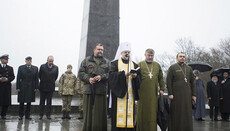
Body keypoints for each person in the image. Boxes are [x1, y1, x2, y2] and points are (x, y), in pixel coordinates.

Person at [109, 42, 141, 131]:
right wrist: (123, 74)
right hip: (119, 94)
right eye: (125, 52)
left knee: (130, 116)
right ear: (121, 53)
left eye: (128, 52)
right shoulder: (115, 64)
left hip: (130, 95)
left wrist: (135, 77)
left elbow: (139, 78)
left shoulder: (134, 64)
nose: (127, 54)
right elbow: (111, 76)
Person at [78, 43, 110, 131]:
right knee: (88, 114)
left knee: (100, 114)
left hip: (101, 91)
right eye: (99, 49)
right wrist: (88, 79)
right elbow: (80, 73)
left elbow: (110, 74)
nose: (100, 51)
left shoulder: (107, 62)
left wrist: (102, 77)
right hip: (89, 91)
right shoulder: (86, 60)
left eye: (102, 50)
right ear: (94, 50)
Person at [136, 48, 164, 131]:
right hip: (142, 93)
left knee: (152, 113)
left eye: (152, 55)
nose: (150, 57)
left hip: (153, 94)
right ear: (145, 55)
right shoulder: (139, 64)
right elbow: (135, 79)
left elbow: (161, 78)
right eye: (149, 55)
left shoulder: (157, 65)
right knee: (142, 113)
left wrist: (162, 89)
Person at [166, 52, 196, 131]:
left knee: (187, 113)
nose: (182, 58)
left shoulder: (189, 68)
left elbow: (193, 82)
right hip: (176, 95)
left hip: (187, 95)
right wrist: (170, 93)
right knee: (176, 113)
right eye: (180, 56)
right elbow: (168, 81)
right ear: (177, 58)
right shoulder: (172, 68)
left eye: (183, 56)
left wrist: (194, 95)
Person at [39, 56, 59, 120]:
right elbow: (39, 75)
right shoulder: (42, 66)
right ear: (47, 60)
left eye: (52, 61)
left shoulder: (56, 67)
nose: (51, 62)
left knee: (49, 102)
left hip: (50, 87)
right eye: (50, 61)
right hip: (43, 87)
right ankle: (41, 114)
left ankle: (48, 115)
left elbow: (56, 76)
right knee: (42, 102)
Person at [0, 54, 15, 119]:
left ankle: (3, 114)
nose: (7, 60)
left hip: (6, 86)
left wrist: (7, 79)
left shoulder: (10, 68)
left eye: (7, 59)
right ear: (1, 60)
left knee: (6, 101)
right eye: (5, 59)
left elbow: (13, 76)